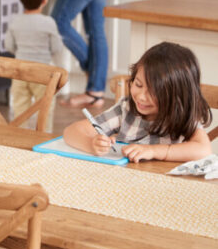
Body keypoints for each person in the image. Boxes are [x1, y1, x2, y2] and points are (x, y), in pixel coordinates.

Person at [63, 42, 212, 163]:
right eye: (138, 85)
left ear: (177, 95)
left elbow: (204, 150)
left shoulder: (182, 117)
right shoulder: (127, 110)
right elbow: (71, 132)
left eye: (153, 92)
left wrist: (154, 151)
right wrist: (91, 144)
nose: (141, 97)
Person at [5, 0, 63, 131]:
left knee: (19, 108)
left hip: (20, 71)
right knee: (45, 109)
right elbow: (56, 48)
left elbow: (9, 46)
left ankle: (19, 137)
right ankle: (43, 137)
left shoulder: (15, 21)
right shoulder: (48, 23)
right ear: (45, 0)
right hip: (43, 73)